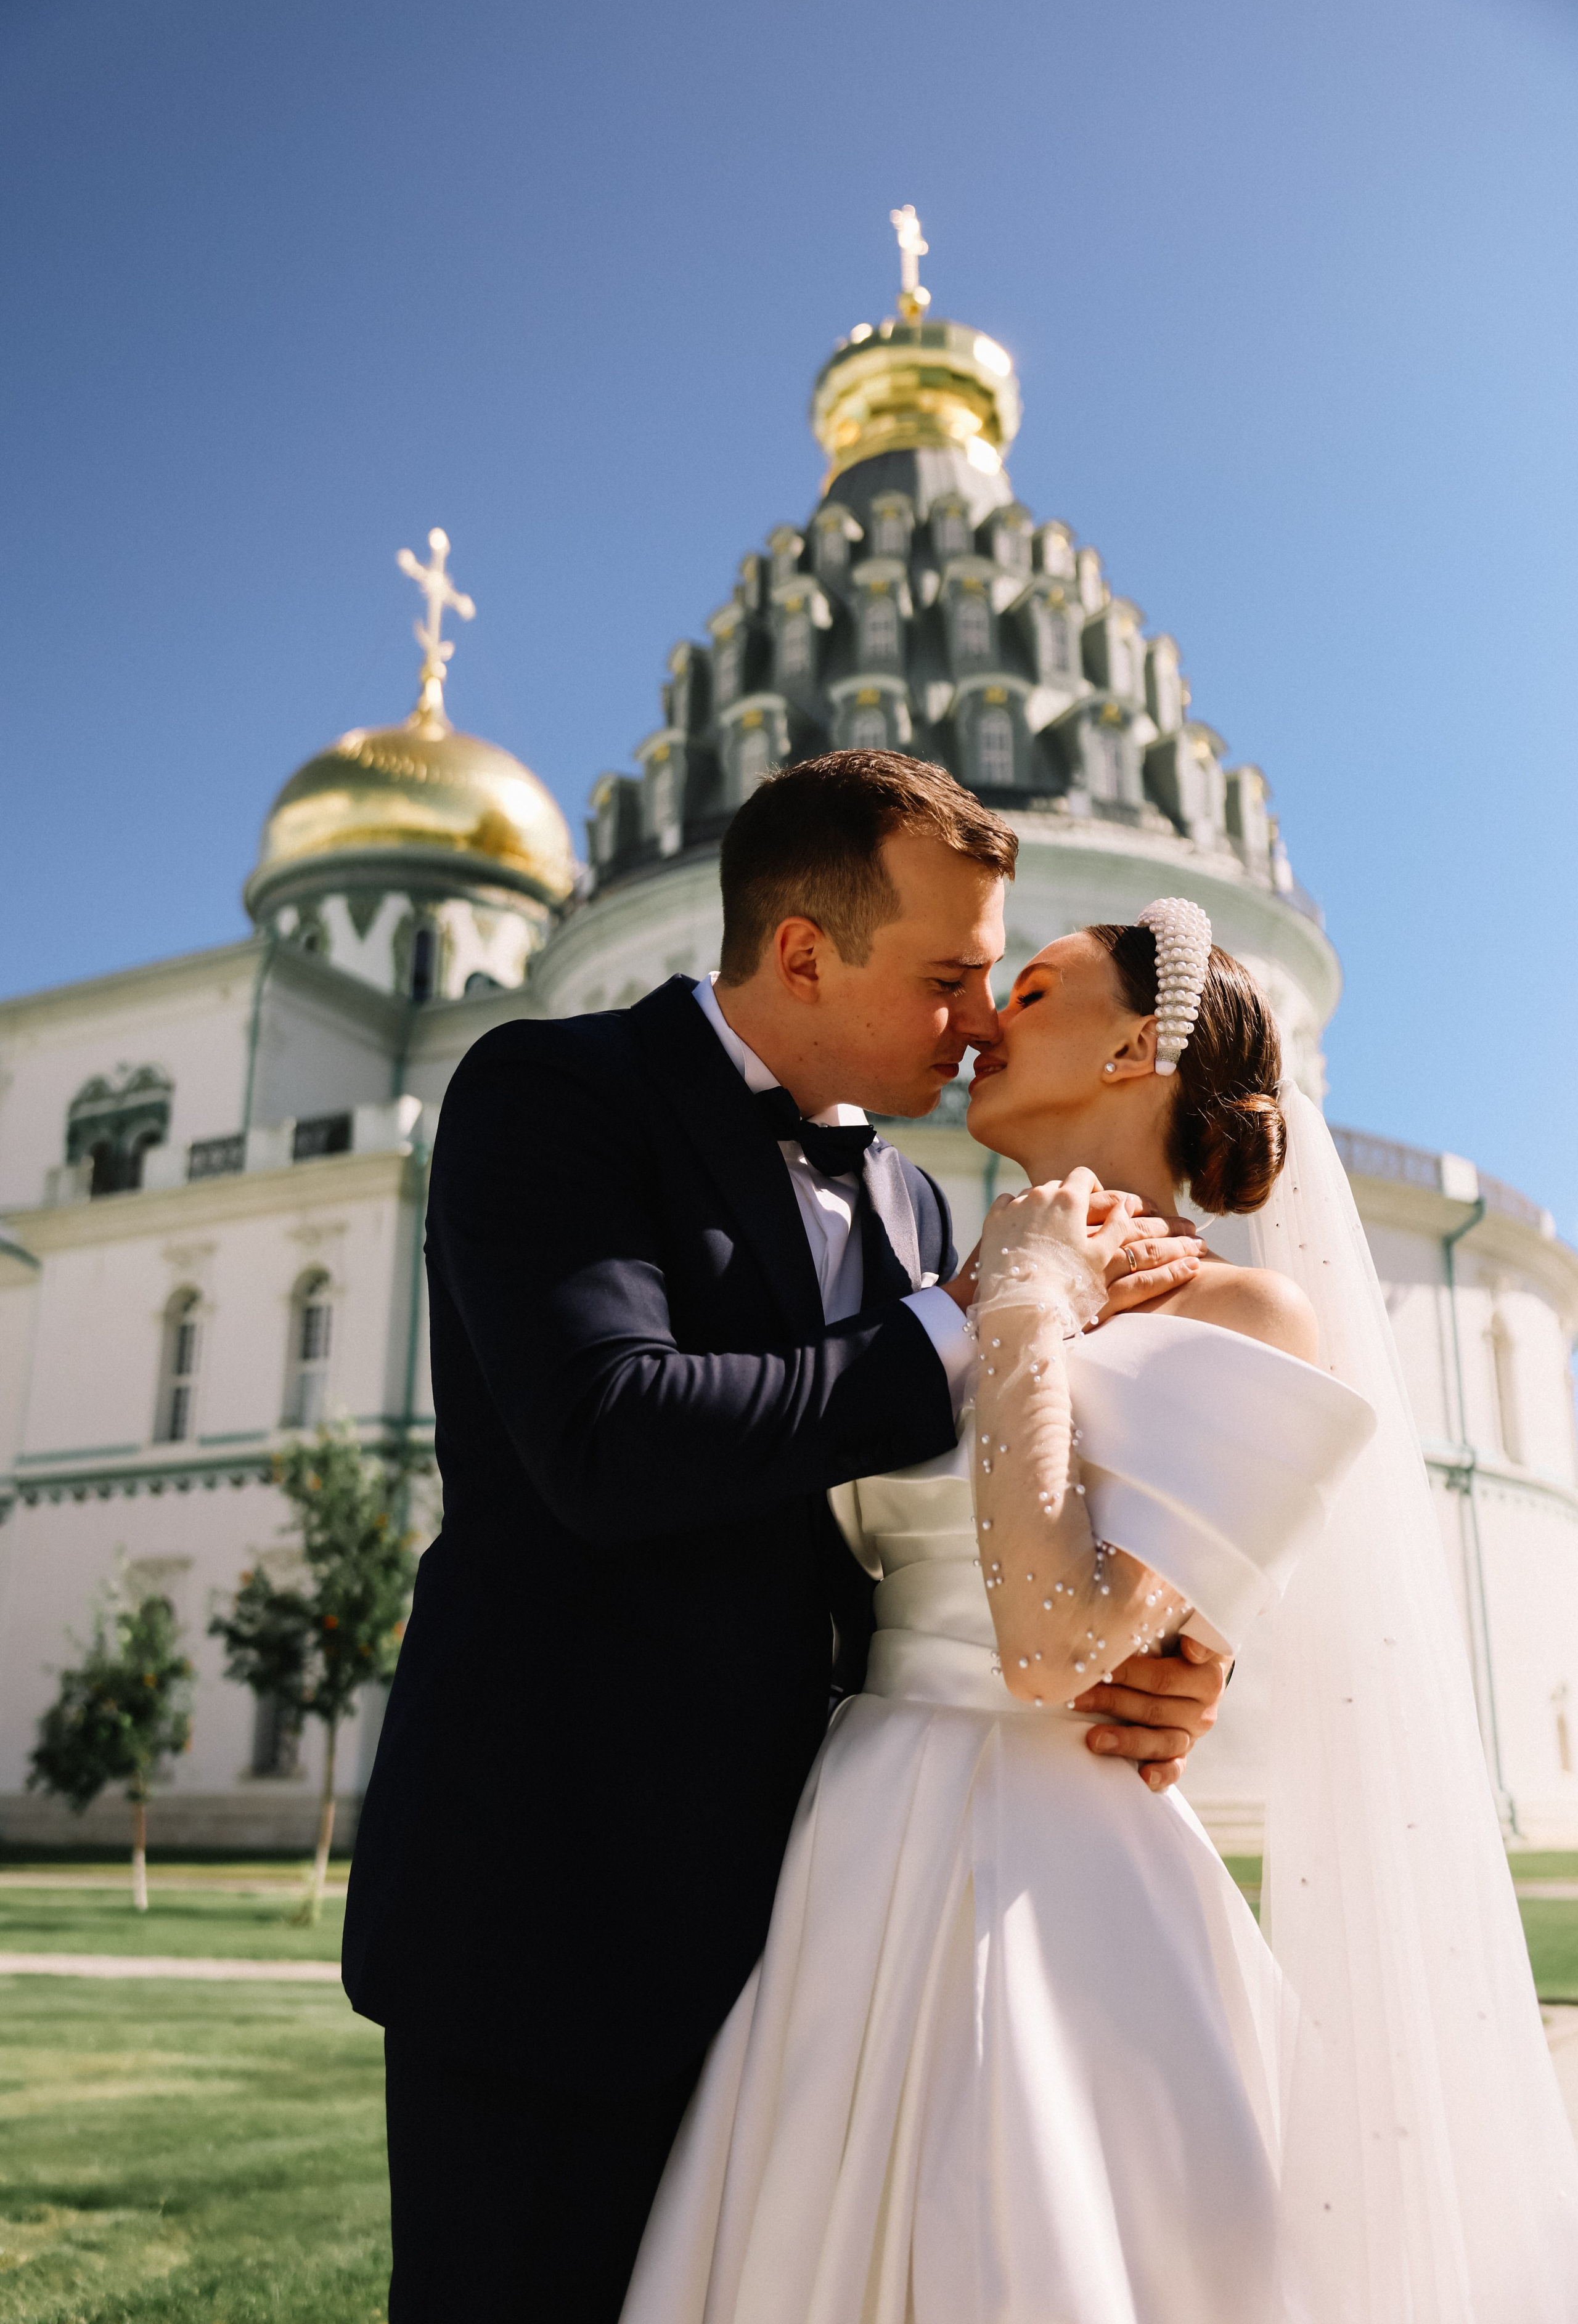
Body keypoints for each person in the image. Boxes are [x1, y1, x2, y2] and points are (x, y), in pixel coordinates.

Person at [340, 752, 1213, 2323]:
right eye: (944, 977)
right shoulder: (551, 1093)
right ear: (803, 952)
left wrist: (1150, 1651)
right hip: (554, 1904)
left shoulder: (916, 1205)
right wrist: (960, 1321)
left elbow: (947, 1532)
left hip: (821, 1930)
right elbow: (609, 1436)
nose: (976, 1021)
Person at [621, 903, 1578, 2323]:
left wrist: (1023, 1312)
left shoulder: (1242, 1314)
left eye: (1031, 989)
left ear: (1136, 1045)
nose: (981, 1021)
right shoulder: (936, 1292)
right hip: (851, 1837)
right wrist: (1003, 1296)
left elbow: (1051, 1647)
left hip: (1054, 1866)